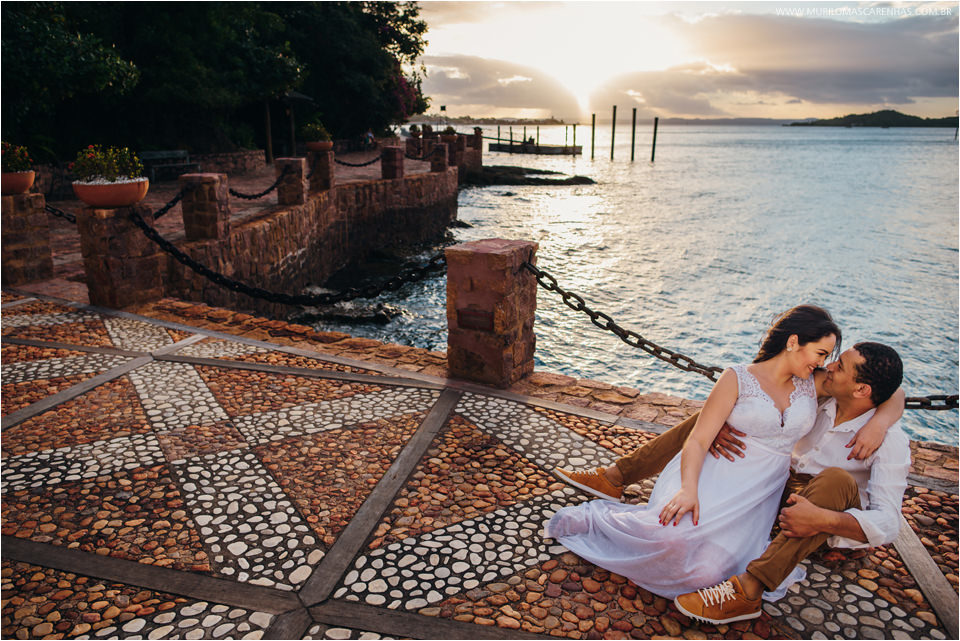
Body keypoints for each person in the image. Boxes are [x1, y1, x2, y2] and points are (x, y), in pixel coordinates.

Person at [554, 341, 908, 623]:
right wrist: (727, 422)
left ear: (861, 389)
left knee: (836, 479)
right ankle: (615, 478)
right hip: (775, 492)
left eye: (839, 366)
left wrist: (826, 519)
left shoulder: (889, 440)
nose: (829, 365)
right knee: (722, 411)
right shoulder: (824, 395)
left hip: (826, 511)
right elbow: (892, 392)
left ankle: (748, 591)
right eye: (831, 359)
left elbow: (889, 523)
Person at [543, 304, 842, 599]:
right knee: (670, 539)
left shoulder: (813, 384)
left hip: (755, 497)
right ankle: (598, 521)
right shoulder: (737, 378)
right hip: (710, 477)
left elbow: (877, 387)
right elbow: (698, 440)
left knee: (706, 576)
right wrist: (688, 490)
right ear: (793, 342)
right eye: (821, 353)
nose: (824, 364)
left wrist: (879, 423)